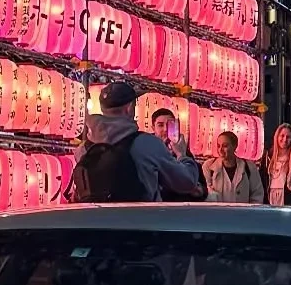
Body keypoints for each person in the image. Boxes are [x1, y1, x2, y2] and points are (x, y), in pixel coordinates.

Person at [65, 80, 205, 202]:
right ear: (129, 108)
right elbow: (186, 182)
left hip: (101, 221)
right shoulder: (146, 144)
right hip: (140, 220)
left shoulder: (84, 149)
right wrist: (182, 155)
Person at [204, 129, 266, 203]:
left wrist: (251, 210)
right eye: (218, 146)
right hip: (218, 210)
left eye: (225, 146)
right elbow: (206, 192)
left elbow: (257, 194)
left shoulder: (249, 167)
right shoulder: (208, 166)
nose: (220, 150)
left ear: (235, 146)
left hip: (242, 210)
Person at [266, 124, 291, 206]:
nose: (285, 139)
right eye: (282, 136)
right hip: (270, 196)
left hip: (286, 198)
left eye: (288, 137)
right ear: (277, 137)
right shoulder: (268, 156)